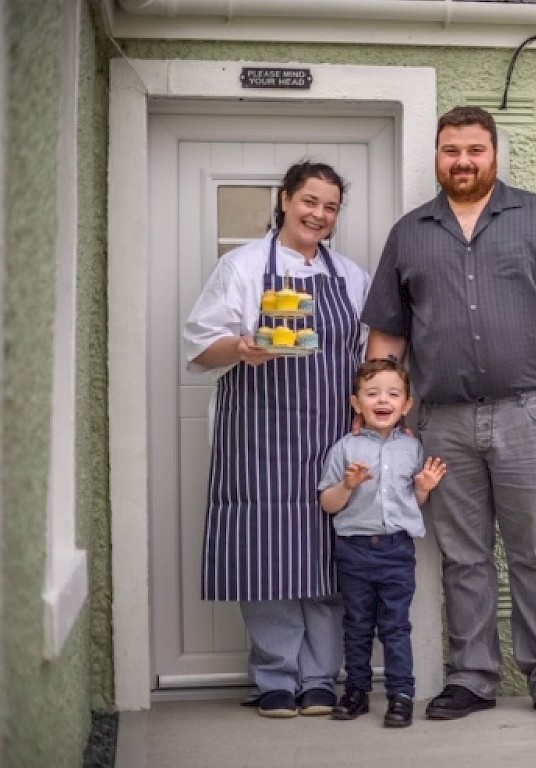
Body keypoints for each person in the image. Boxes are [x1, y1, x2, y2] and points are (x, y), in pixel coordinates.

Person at [361, 105, 536, 723]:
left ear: (494, 153)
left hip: (526, 413)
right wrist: (379, 413)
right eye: (451, 150)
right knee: (463, 555)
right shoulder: (410, 232)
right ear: (437, 155)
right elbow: (388, 334)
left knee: (534, 551)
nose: (462, 161)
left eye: (474, 149)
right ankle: (471, 677)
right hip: (441, 420)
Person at [183, 161, 370, 718]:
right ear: (286, 200)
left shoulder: (352, 277)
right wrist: (241, 348)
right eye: (309, 201)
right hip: (257, 440)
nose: (319, 214)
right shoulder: (240, 267)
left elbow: (363, 359)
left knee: (327, 557)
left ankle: (319, 677)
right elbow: (198, 345)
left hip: (331, 437)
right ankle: (275, 679)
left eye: (330, 207)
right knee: (264, 557)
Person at [318, 358, 447, 728]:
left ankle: (401, 695)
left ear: (406, 405)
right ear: (356, 403)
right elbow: (328, 503)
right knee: (357, 623)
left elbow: (413, 504)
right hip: (354, 550)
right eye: (372, 393)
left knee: (395, 626)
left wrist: (422, 489)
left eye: (393, 393)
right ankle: (356, 692)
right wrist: (347, 486)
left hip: (396, 550)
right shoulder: (344, 449)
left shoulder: (412, 449)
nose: (383, 400)